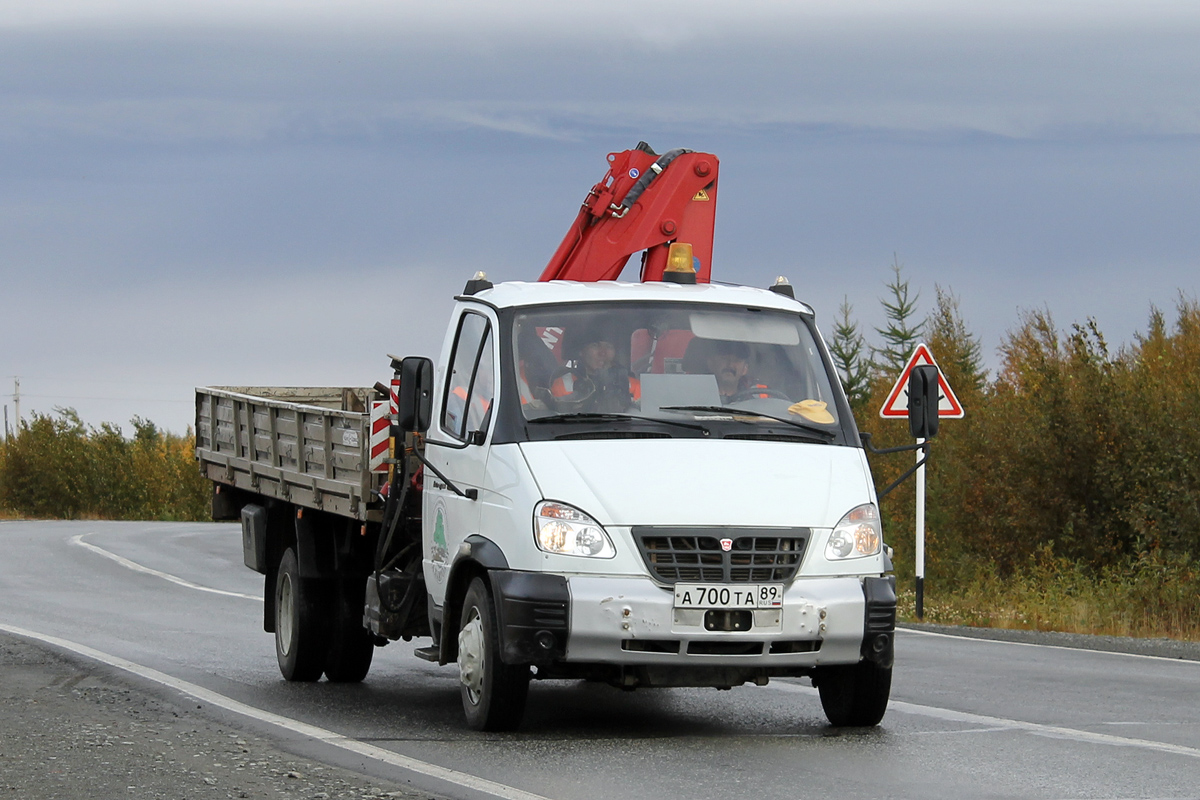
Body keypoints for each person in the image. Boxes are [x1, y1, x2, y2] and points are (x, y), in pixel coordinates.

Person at [550, 328, 641, 412]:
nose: (602, 352)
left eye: (609, 346)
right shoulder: (564, 384)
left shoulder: (634, 386)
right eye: (595, 345)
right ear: (581, 351)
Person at [686, 339, 773, 404]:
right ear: (711, 364)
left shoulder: (760, 396)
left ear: (745, 369)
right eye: (724, 358)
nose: (730, 364)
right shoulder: (691, 395)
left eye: (737, 360)